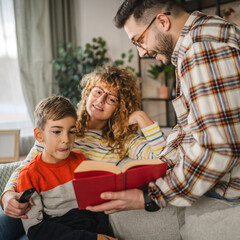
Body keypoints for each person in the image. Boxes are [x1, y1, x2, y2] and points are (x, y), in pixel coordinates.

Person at [84, 1, 240, 239]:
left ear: (162, 22)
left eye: (139, 40)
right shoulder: (200, 41)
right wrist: (165, 164)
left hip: (227, 196)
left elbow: (218, 148)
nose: (141, 52)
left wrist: (151, 196)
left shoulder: (201, 49)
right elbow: (192, 129)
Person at [0, 65, 166, 239]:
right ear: (88, 92)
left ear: (121, 106)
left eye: (111, 99)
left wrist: (141, 117)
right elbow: (27, 166)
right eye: (98, 91)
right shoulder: (63, 124)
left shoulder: (124, 140)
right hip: (33, 204)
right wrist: (7, 195)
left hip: (70, 218)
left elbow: (164, 156)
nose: (100, 100)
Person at [17, 95, 116, 240]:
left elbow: (96, 208)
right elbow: (35, 229)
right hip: (62, 232)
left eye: (71, 131)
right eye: (57, 131)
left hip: (92, 228)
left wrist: (104, 235)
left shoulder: (80, 160)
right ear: (39, 135)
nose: (66, 140)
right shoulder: (29, 175)